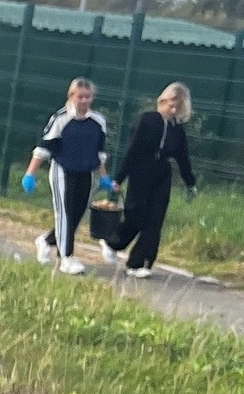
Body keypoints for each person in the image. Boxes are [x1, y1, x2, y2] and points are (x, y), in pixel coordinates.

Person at [104, 81, 195, 279]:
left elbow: (182, 156)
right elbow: (133, 150)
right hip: (141, 169)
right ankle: (113, 242)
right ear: (163, 100)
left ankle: (140, 262)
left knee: (155, 219)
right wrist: (119, 178)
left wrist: (190, 182)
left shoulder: (177, 128)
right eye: (171, 104)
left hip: (162, 172)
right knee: (135, 214)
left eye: (177, 107)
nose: (173, 110)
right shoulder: (146, 120)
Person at [27, 78, 110, 275]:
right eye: (80, 96)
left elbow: (100, 152)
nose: (84, 100)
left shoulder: (98, 121)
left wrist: (103, 176)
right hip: (63, 170)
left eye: (87, 97)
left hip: (86, 172)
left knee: (77, 215)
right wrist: (30, 174)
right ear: (72, 96)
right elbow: (44, 147)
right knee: (64, 213)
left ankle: (46, 241)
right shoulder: (61, 118)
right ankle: (66, 258)